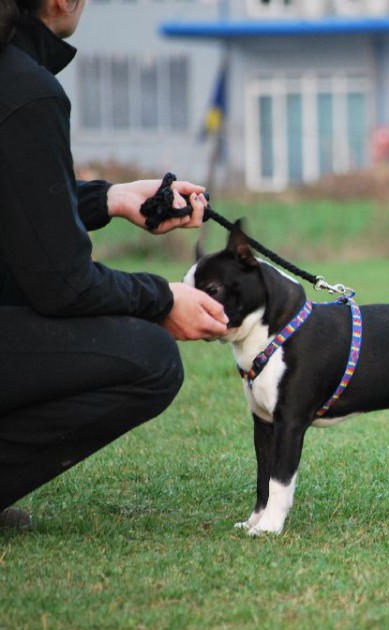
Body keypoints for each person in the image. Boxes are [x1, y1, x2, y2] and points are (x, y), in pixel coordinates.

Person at [0, 0, 229, 529]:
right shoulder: (24, 88)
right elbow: (64, 285)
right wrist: (164, 298)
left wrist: (113, 199)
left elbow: (17, 207)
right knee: (148, 357)